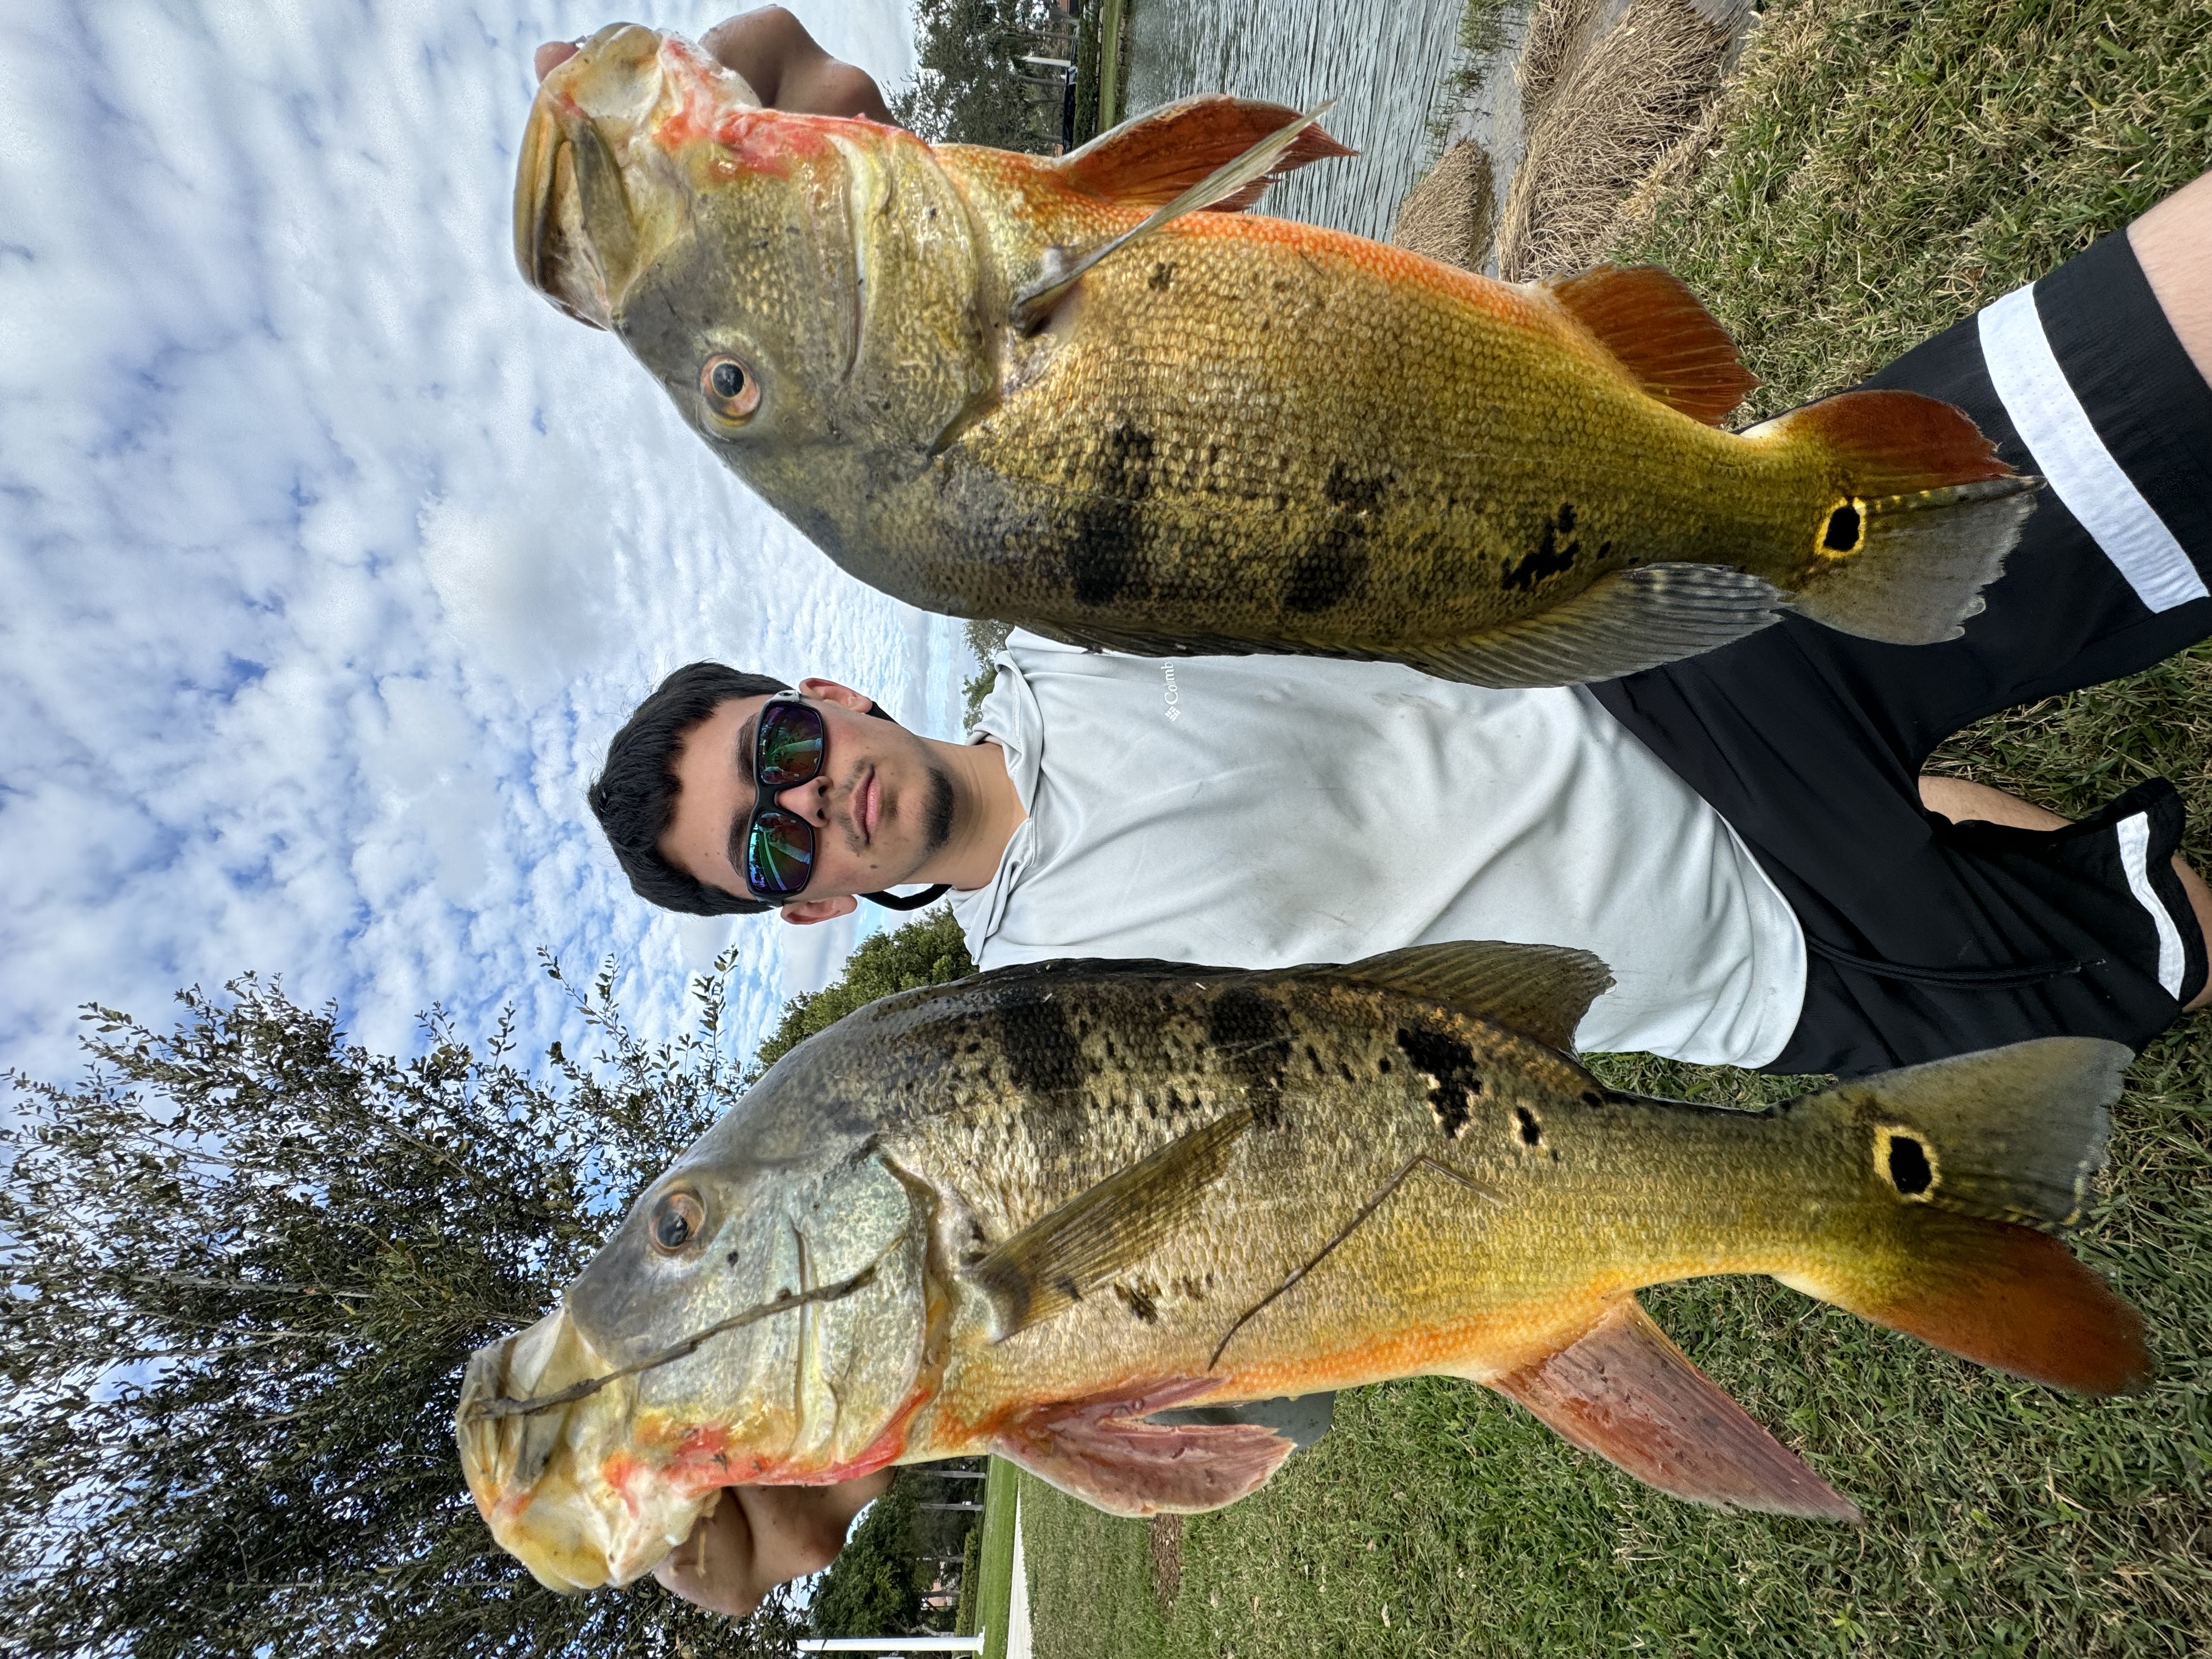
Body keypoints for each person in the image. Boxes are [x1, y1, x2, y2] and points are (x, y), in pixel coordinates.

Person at [549, 10, 2212, 1622]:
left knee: (2164, 369)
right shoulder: (1005, 1038)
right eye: (770, 844)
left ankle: (1937, 758)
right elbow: (1277, 1376)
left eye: (776, 748)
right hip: (1778, 973)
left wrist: (764, 170)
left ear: (824, 699)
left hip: (1700, 650)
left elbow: (964, 269)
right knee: (2177, 948)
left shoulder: (1056, 609)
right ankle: (1989, 840)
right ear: (812, 907)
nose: (809, 799)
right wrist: (886, 1407)